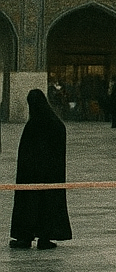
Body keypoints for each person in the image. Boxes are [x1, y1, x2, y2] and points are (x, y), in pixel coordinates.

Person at [9, 89, 72, 250]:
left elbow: (26, 153)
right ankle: (45, 237)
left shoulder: (33, 125)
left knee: (28, 205)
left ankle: (25, 237)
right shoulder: (56, 123)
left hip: (30, 176)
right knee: (48, 204)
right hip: (51, 175)